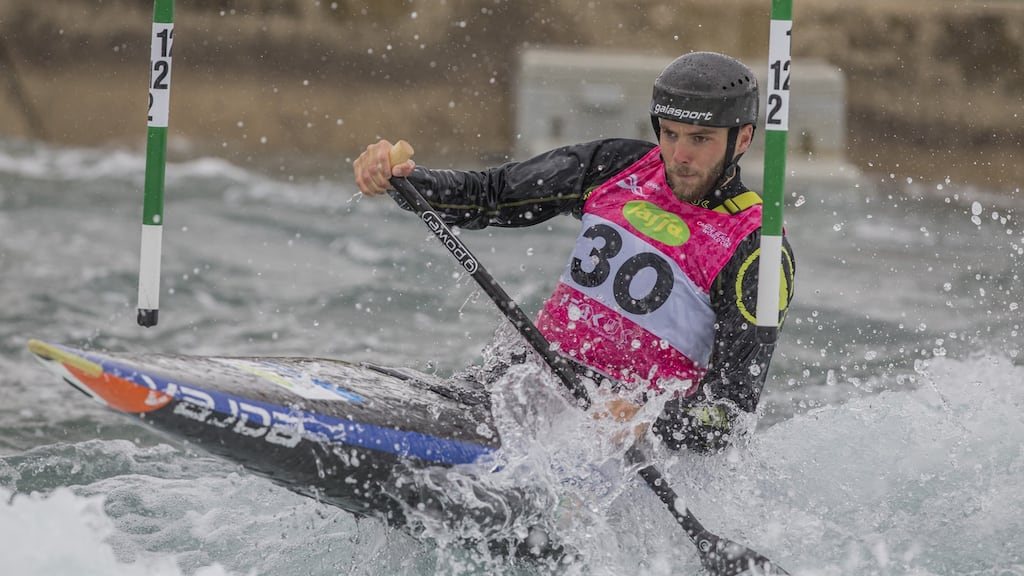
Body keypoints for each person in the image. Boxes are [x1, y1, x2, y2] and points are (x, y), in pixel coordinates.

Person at [352, 51, 796, 453]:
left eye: (700, 139)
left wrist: (649, 420)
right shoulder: (616, 166)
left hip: (617, 447)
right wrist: (405, 179)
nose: (679, 155)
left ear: (742, 139)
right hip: (521, 389)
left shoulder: (757, 250)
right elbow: (489, 194)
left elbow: (730, 414)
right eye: (669, 133)